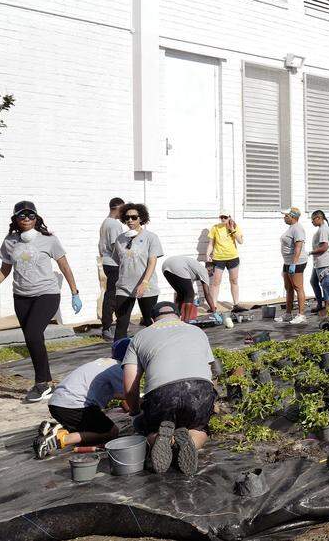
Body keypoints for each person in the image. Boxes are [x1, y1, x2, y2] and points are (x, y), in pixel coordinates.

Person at [0, 201, 81, 402]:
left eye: (31, 215)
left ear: (36, 218)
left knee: (34, 333)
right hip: (21, 297)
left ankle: (41, 384)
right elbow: (5, 270)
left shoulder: (49, 239)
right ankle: (47, 382)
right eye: (22, 215)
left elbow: (65, 266)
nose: (26, 218)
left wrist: (74, 292)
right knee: (32, 339)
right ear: (15, 219)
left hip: (46, 294)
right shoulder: (10, 241)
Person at [121, 301, 216, 475]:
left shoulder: (139, 337)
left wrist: (135, 412)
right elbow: (210, 371)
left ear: (152, 319)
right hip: (200, 389)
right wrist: (211, 403)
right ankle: (187, 444)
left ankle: (161, 439)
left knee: (148, 429)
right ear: (180, 316)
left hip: (162, 395)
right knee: (199, 429)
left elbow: (129, 386)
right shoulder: (197, 331)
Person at [34, 338, 130, 458]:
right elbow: (129, 397)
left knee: (87, 429)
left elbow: (113, 394)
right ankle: (59, 439)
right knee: (110, 432)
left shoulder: (103, 363)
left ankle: (55, 429)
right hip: (74, 405)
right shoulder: (118, 369)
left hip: (57, 404)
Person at [109, 202, 162, 342]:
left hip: (146, 286)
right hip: (124, 287)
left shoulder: (151, 238)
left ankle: (154, 352)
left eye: (134, 217)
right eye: (127, 218)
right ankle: (118, 355)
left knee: (149, 321)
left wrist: (144, 282)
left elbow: (152, 262)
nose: (130, 221)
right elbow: (118, 261)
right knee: (121, 322)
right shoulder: (120, 239)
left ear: (141, 218)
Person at [98, 198, 125, 335]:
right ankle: (107, 327)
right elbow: (117, 245)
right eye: (123, 210)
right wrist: (125, 261)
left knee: (112, 294)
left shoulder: (105, 222)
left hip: (107, 262)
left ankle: (113, 322)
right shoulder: (114, 224)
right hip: (114, 263)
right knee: (112, 295)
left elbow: (100, 245)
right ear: (118, 208)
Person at [206, 212, 242, 309]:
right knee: (216, 282)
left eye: (225, 217)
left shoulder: (235, 226)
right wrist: (207, 254)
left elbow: (240, 241)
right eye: (221, 217)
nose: (222, 219)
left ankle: (236, 304)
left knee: (234, 280)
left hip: (232, 258)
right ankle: (213, 306)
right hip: (218, 258)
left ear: (229, 217)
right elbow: (211, 243)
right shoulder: (215, 228)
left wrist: (232, 229)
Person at [279, 207, 307, 324]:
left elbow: (298, 247)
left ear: (293, 217)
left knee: (297, 287)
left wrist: (294, 264)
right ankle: (288, 314)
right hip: (287, 262)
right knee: (288, 288)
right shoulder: (291, 228)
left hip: (297, 262)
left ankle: (301, 315)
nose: (284, 218)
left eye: (286, 216)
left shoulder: (298, 229)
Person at [308, 210, 329, 313]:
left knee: (324, 283)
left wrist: (310, 252)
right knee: (313, 281)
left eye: (313, 220)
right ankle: (320, 303)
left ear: (318, 218)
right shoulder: (321, 229)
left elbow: (324, 247)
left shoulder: (323, 229)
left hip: (323, 261)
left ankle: (327, 306)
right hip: (318, 261)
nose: (312, 222)